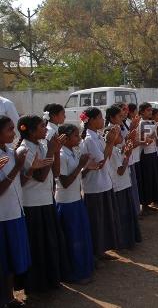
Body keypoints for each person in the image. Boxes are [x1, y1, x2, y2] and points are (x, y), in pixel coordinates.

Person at [16, 115, 71, 293]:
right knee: (37, 245)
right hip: (33, 205)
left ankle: (51, 279)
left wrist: (55, 151)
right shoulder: (25, 150)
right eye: (41, 126)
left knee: (51, 243)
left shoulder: (40, 145)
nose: (45, 129)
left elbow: (54, 173)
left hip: (46, 201)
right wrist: (50, 151)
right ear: (31, 131)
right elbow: (39, 177)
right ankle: (36, 285)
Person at [79, 107, 121, 260]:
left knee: (104, 220)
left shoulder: (96, 136)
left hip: (104, 183)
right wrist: (110, 142)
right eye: (100, 118)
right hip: (94, 186)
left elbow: (106, 157)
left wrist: (109, 142)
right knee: (96, 221)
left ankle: (102, 250)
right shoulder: (89, 139)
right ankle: (95, 253)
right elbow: (101, 162)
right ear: (91, 120)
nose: (103, 121)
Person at [55, 124, 94, 284]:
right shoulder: (61, 155)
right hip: (66, 203)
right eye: (76, 136)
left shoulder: (73, 151)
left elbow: (76, 177)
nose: (79, 138)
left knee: (81, 236)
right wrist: (80, 165)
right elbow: (65, 182)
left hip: (76, 200)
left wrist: (88, 168)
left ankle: (84, 269)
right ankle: (73, 273)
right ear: (66, 137)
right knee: (72, 240)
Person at [0, 116, 31, 307]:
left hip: (15, 212)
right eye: (10, 130)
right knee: (3, 260)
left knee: (12, 258)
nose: (14, 134)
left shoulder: (12, 153)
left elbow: (18, 183)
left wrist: (28, 170)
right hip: (3, 216)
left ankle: (10, 297)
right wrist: (18, 167)